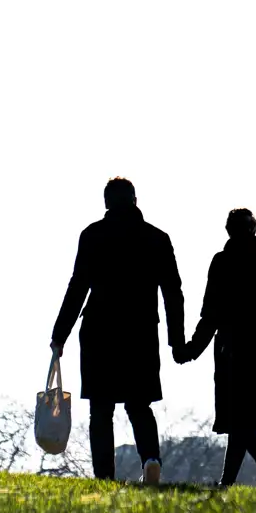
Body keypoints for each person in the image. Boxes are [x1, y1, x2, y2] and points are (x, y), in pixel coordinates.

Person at [51, 178, 184, 485]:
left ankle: (104, 476)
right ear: (135, 201)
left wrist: (60, 335)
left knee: (101, 408)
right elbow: (172, 293)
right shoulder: (157, 238)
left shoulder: (93, 235)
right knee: (139, 404)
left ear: (106, 203)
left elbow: (77, 287)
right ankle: (151, 460)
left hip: (100, 329)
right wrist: (176, 341)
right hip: (141, 331)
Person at [177, 208, 256, 489]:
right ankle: (228, 483)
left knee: (241, 422)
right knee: (244, 422)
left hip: (233, 352)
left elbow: (211, 315)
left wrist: (191, 349)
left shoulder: (223, 263)